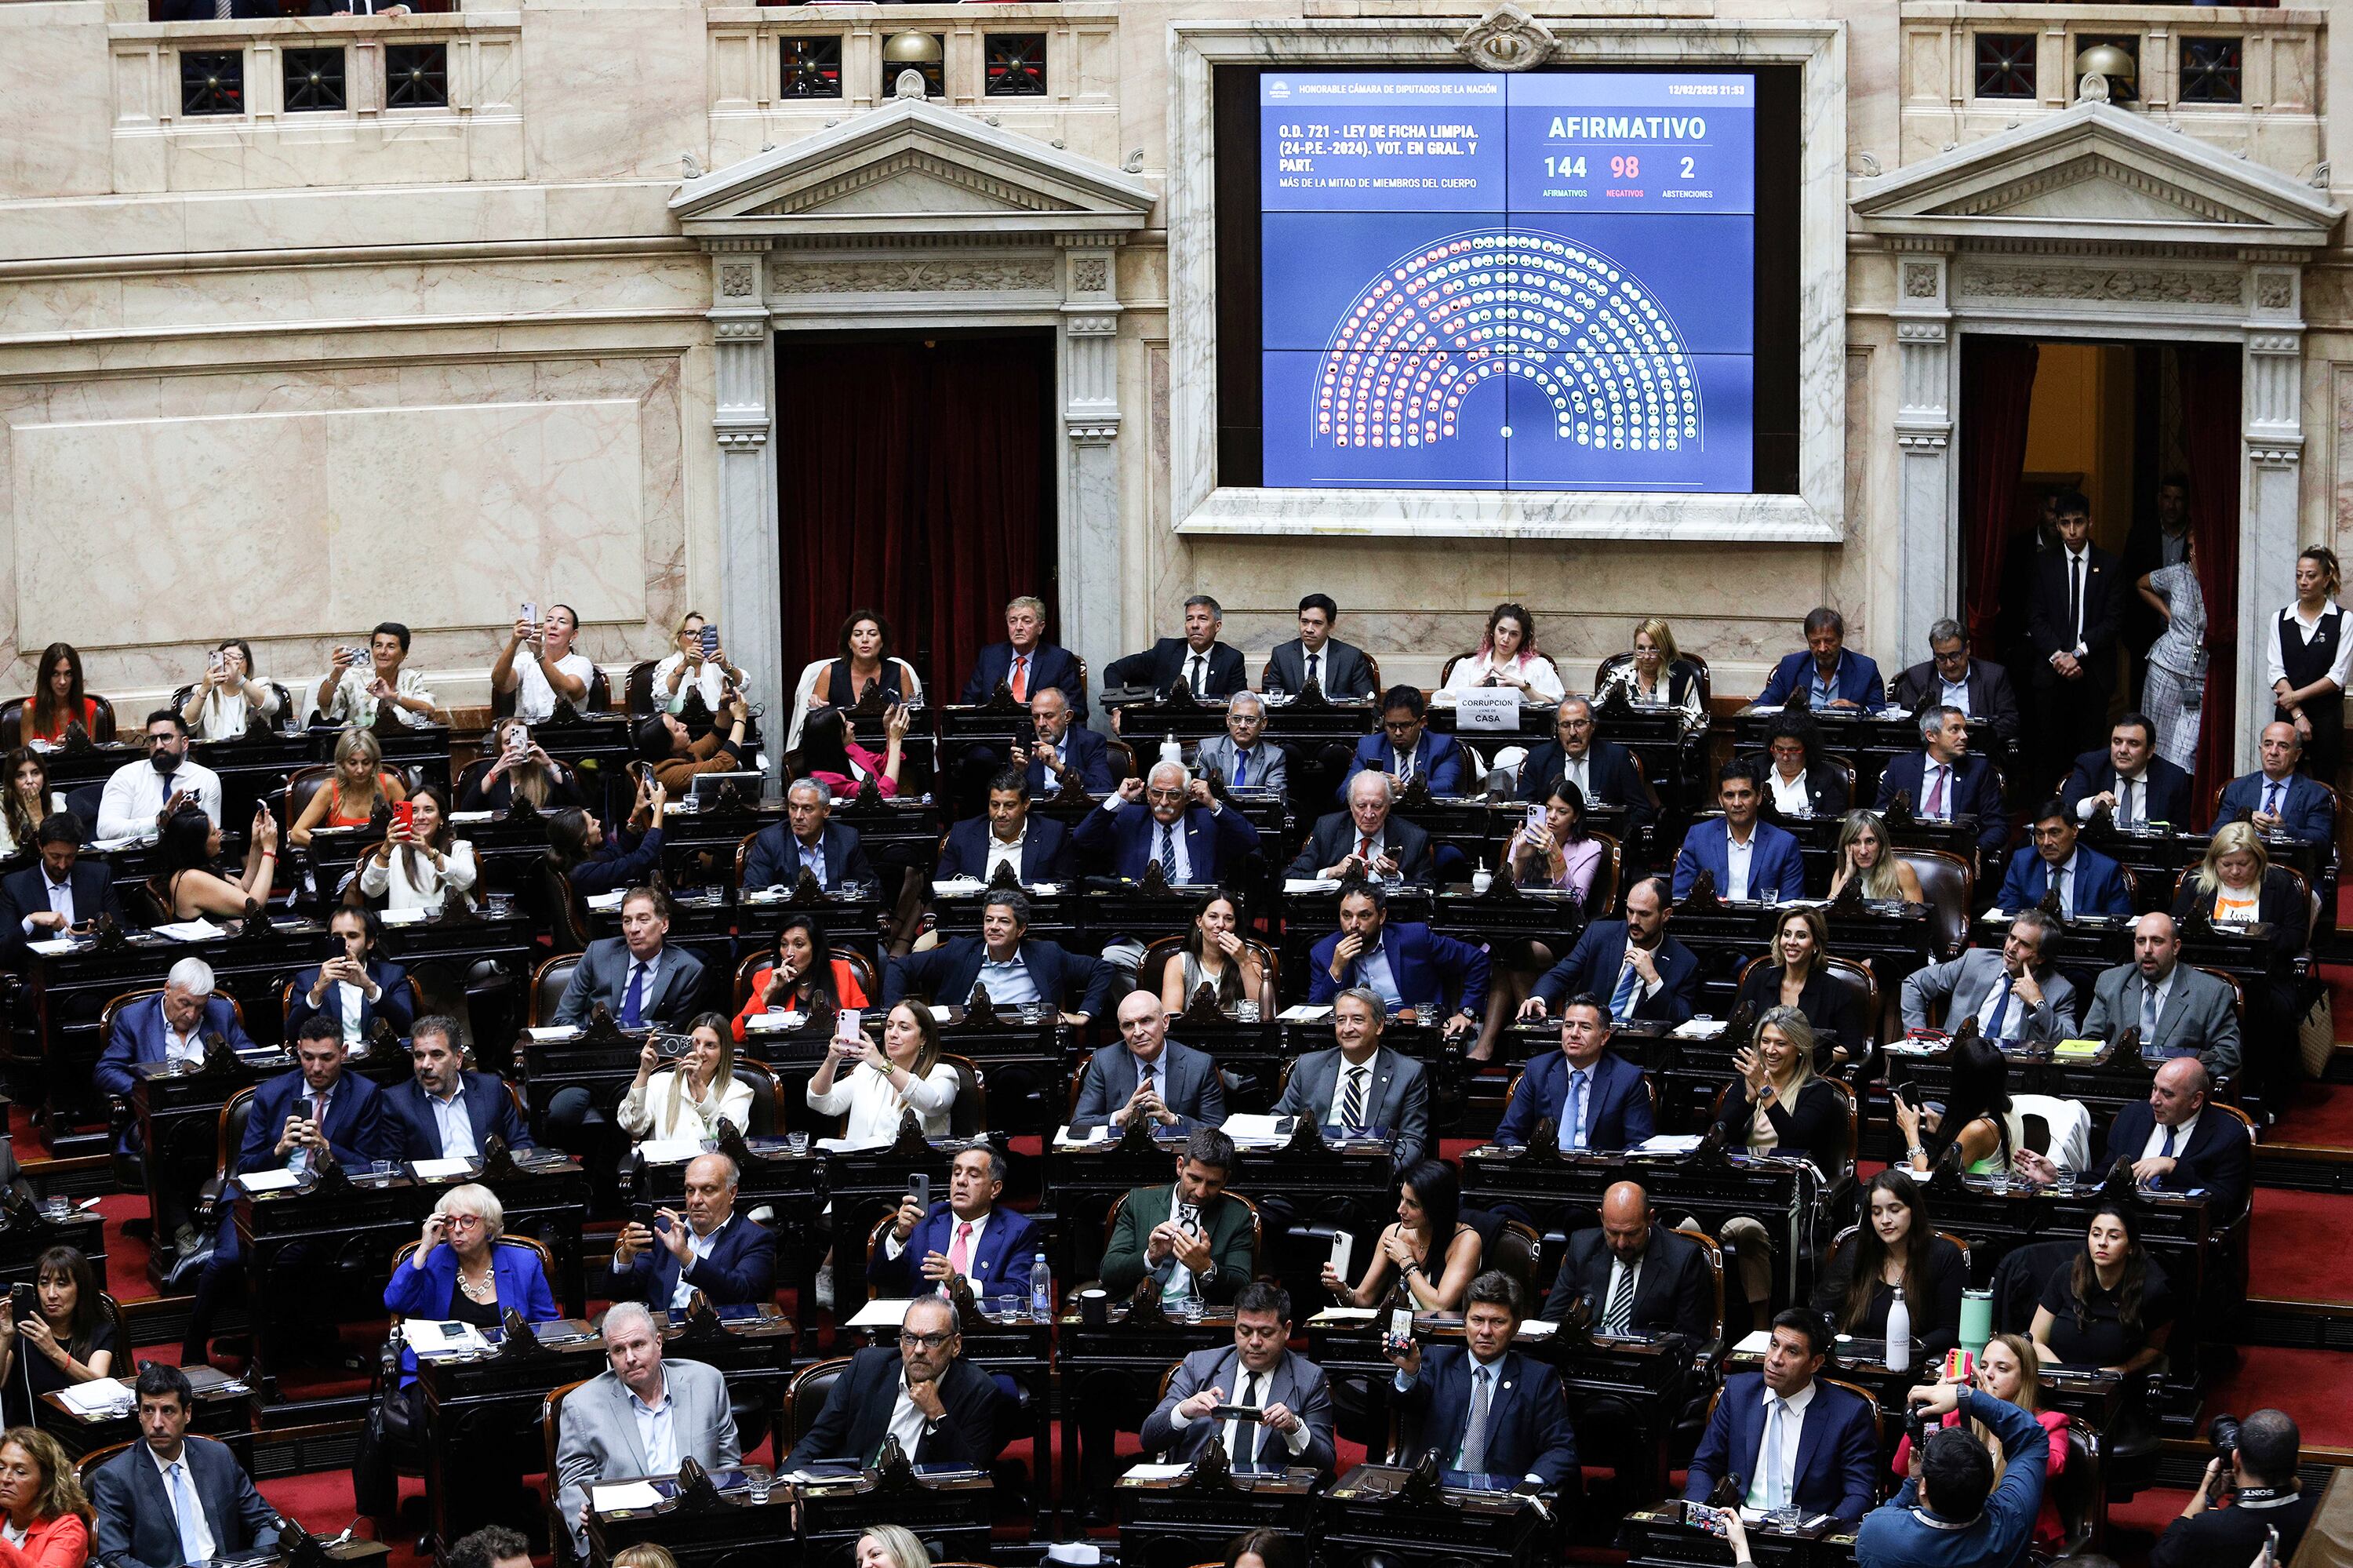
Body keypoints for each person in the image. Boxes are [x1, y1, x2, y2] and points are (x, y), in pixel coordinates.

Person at [182, 1017, 396, 1364]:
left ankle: (282, 1343)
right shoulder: (272, 1092)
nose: (316, 1067)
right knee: (228, 1260)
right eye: (308, 1057)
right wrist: (279, 1150)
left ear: (343, 1052)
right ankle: (194, 1345)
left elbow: (372, 1165)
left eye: (326, 1058)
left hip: (321, 1205)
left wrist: (328, 1149)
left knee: (292, 1258)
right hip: (260, 1201)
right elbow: (246, 1167)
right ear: (297, 1051)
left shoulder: (364, 1094)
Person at [369, 1184, 559, 1517]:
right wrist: (424, 1249)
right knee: (443, 1420)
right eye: (450, 1221)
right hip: (437, 1376)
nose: (456, 1230)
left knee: (491, 1421)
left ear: (489, 1225)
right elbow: (394, 1302)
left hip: (506, 1375)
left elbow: (549, 1325)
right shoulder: (432, 1261)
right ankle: (453, 1517)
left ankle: (500, 1514)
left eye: (467, 1221)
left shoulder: (524, 1262)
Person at [554, 1303, 737, 1559]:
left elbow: (729, 1464)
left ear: (659, 1343)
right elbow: (574, 1483)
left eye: (638, 1345)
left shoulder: (707, 1382)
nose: (630, 1358)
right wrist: (589, 1526)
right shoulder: (581, 1406)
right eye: (619, 1350)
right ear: (609, 1356)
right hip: (629, 1540)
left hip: (701, 1528)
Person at [1385, 1272, 1577, 1488]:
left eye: (1497, 1322)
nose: (1485, 1331)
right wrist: (1410, 1373)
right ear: (1465, 1321)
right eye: (1477, 1320)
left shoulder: (1538, 1379)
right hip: (1435, 1492)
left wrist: (1528, 1487)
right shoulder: (1439, 1361)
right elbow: (1404, 1404)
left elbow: (1561, 1448)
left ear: (1515, 1326)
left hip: (1502, 1500)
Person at [1685, 1308, 1878, 1522]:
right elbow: (1704, 1466)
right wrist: (1703, 1518)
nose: (1776, 1359)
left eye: (1792, 1352)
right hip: (1735, 1525)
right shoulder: (1738, 1393)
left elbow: (1860, 1493)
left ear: (1815, 1363)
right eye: (1774, 1345)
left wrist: (1820, 1532)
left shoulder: (1848, 1413)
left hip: (1803, 1537)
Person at [1887, 1334, 2071, 1559]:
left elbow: (2050, 1466)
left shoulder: (2048, 1424)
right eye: (1983, 1366)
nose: (1988, 1374)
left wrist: (1989, 1409)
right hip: (1962, 1535)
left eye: (2002, 1368)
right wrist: (1930, 1410)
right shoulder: (1955, 1415)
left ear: (2025, 1378)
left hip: (2022, 1541)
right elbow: (1902, 1467)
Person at [784, 1294, 1008, 1469]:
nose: (918, 1350)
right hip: (857, 1499)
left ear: (955, 1345)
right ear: (901, 1341)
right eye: (910, 1338)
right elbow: (817, 1440)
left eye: (932, 1339)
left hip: (926, 1508)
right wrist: (786, 1485)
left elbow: (970, 1473)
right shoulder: (867, 1368)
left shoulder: (979, 1391)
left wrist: (937, 1415)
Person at [91, 1363, 278, 1568]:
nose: (157, 1423)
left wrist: (257, 1563)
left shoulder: (217, 1457)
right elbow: (113, 1556)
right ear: (139, 1415)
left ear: (187, 1413)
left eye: (168, 1411)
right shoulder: (116, 1477)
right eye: (148, 1411)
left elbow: (266, 1521)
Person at [1854, 1374, 2050, 1568]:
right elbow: (2031, 1437)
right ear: (1988, 1484)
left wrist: (1913, 1481)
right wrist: (1967, 1396)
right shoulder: (2011, 1522)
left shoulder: (1877, 1534)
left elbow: (1890, 1516)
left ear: (1924, 1488)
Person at [1141, 1281, 1338, 1472]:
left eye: (1266, 1333)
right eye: (1245, 1332)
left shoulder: (1309, 1380)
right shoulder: (1198, 1367)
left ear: (1286, 1330)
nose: (1254, 1342)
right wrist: (1184, 1411)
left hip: (1268, 1496)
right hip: (1198, 1492)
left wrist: (1294, 1428)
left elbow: (1326, 1462)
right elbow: (1149, 1438)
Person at [2020, 1058, 2249, 1218]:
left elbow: (2225, 1205)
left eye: (2167, 1094)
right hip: (2115, 1225)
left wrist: (2174, 1167)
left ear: (2196, 1100)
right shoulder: (2134, 1117)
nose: (2154, 1101)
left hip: (2173, 1232)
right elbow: (2105, 1177)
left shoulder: (2228, 1134)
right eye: (2154, 1089)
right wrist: (2060, 1178)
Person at [2174, 822, 2307, 1084]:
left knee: (2274, 1011)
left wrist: (2259, 936)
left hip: (2265, 977)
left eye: (2243, 864)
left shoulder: (2280, 885)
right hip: (2203, 975)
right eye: (2226, 864)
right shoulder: (2196, 885)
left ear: (2258, 860)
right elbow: (2176, 927)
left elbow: (2296, 936)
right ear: (2214, 862)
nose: (2235, 872)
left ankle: (2262, 1087)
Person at [884, 890, 1111, 1024]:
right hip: (964, 1040)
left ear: (1021, 929)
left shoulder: (1047, 955)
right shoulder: (960, 951)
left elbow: (1102, 969)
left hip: (1024, 1046)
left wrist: (1083, 1014)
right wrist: (896, 1014)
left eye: (1004, 921)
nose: (994, 927)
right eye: (989, 920)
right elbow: (899, 967)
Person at [2027, 490, 2127, 778]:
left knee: (2091, 750)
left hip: (2092, 672)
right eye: (2065, 523)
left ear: (2090, 523)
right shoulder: (2043, 564)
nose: (2072, 531)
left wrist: (2078, 654)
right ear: (2057, 524)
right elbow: (2035, 617)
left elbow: (2113, 621)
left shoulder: (2110, 566)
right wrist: (2060, 656)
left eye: (2078, 522)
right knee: (2049, 750)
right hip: (2051, 673)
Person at [1305, 882, 1486, 1041]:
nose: (1353, 924)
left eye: (1364, 916)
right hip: (1356, 1038)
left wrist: (1466, 1013)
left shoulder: (1415, 938)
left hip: (1417, 1033)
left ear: (1381, 916)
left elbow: (1477, 960)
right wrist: (1335, 970)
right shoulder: (1325, 953)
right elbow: (1314, 1015)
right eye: (1346, 916)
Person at [1813, 1170, 1966, 1359]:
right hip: (1855, 1362)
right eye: (1876, 1213)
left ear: (1913, 1210)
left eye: (1895, 1210)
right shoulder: (1856, 1253)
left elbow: (1950, 1330)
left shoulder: (1944, 1256)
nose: (1885, 1220)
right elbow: (1819, 1313)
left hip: (1915, 1365)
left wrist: (1907, 1350)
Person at [1274, 987, 1431, 1168]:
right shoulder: (1308, 1066)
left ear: (1379, 1025)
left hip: (1373, 1172)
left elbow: (1412, 1140)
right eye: (1341, 1020)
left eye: (1357, 1020)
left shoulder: (1409, 1074)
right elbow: (1279, 1119)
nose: (1347, 1028)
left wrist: (1385, 1174)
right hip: (1312, 1168)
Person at [1099, 1127, 1253, 1306]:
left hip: (1200, 1318)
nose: (1201, 1192)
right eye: (1194, 1179)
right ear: (1180, 1166)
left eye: (1212, 1183)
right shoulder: (1139, 1202)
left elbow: (1243, 1288)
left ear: (1226, 1179)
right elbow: (1109, 1271)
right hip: (1140, 1312)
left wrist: (1206, 1268)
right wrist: (1151, 1257)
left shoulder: (1236, 1217)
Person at [1541, 1180, 1712, 1338]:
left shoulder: (1683, 1258)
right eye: (1613, 1233)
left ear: (1650, 1218)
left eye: (1632, 1233)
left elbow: (1691, 1339)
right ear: (1601, 1218)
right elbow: (1551, 1318)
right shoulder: (1582, 1246)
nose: (1622, 1244)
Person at [605, 1152, 776, 1311]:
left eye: (708, 1190)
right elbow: (620, 1294)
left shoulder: (754, 1238)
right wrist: (626, 1257)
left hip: (721, 1336)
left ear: (732, 1193)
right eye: (690, 1190)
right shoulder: (664, 1230)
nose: (695, 1200)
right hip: (661, 1336)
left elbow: (741, 1293)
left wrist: (686, 1256)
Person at [867, 1146, 1039, 1304]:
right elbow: (880, 1278)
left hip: (981, 1327)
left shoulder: (1018, 1230)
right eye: (956, 1173)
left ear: (995, 1189)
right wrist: (900, 1235)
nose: (961, 1181)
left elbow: (1021, 1292)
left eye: (973, 1175)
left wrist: (959, 1283)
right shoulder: (925, 1219)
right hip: (923, 1325)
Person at [2080, 912, 2242, 1076]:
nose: (2147, 950)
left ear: (2176, 947)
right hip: (2119, 1083)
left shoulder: (2211, 992)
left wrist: (2184, 1076)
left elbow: (2228, 1053)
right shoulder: (2110, 982)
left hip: (2178, 1093)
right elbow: (2088, 1042)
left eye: (2157, 941)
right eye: (2141, 941)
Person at [1522, 876, 1700, 1024]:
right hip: (1588, 1038)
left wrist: (1653, 980)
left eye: (1644, 914)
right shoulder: (1599, 935)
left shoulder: (1684, 962)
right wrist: (1538, 999)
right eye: (1630, 911)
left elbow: (1682, 1020)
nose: (1634, 921)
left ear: (1666, 915)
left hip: (1638, 1050)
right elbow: (1560, 975)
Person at [2154, 1410, 2316, 1568]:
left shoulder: (2205, 1529)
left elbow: (2161, 1559)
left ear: (2236, 1459)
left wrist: (2206, 1491)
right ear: (2297, 1463)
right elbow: (2316, 1501)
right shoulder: (2318, 1516)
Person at [1494, 994, 1655, 1152]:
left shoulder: (1627, 1079)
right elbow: (1507, 1134)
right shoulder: (1538, 1070)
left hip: (1601, 1173)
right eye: (1569, 1025)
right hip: (1546, 1170)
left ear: (1604, 1037)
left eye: (1585, 1027)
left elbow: (1639, 1145)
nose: (1574, 1034)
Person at [2030, 1203, 2172, 1374]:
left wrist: (2122, 1370)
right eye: (2096, 1234)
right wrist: (2067, 1376)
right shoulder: (2066, 1274)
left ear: (2131, 1246)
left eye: (2113, 1237)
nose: (2102, 1243)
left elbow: (2155, 1348)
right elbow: (2036, 1339)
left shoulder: (2152, 1289)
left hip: (2116, 1385)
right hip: (2058, 1380)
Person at [1900, 910, 2076, 1047]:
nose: (2011, 948)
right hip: (1958, 1061)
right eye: (2012, 938)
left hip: (2011, 1072)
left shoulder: (2059, 990)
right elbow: (1914, 984)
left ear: (2040, 957)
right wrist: (1919, 1037)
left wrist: (2039, 1004)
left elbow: (2069, 1045)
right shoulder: (1975, 962)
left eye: (2024, 944)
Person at [1322, 1159, 1480, 1311]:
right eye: (1402, 1198)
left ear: (1437, 1208)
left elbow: (1439, 1307)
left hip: (1440, 1335)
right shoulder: (1393, 1233)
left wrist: (1406, 1261)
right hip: (1394, 1333)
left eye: (1412, 1204)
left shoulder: (1466, 1241)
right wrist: (1342, 1290)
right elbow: (1363, 1298)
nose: (1400, 1210)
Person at [1069, 991, 1227, 1136]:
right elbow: (1080, 1124)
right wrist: (1121, 1117)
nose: (1138, 1032)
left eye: (1146, 1021)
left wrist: (1173, 1120)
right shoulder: (1104, 1062)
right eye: (1128, 1025)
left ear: (1165, 1022)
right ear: (1121, 1030)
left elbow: (1216, 1131)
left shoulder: (1199, 1065)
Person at [551, 887, 709, 1028]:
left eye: (643, 920)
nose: (633, 929)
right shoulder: (597, 953)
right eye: (627, 921)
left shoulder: (688, 970)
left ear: (664, 924)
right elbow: (563, 1019)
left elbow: (676, 1031)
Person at [1076, 763, 1262, 882]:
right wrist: (1119, 799)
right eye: (1157, 793)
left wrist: (1213, 803)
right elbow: (1082, 838)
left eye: (1173, 795)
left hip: (1196, 916)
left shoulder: (1206, 822)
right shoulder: (1130, 819)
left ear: (1188, 797)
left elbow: (1249, 840)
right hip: (1138, 913)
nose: (1163, 802)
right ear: (1148, 792)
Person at [1715, 1006, 1845, 1174]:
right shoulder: (1745, 1082)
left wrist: (1764, 1090)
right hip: (1743, 1175)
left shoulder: (1817, 1091)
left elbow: (1795, 1142)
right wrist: (1749, 1102)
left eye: (1780, 1043)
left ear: (1799, 1048)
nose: (1770, 1051)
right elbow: (1723, 1136)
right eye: (1765, 1041)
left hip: (1790, 1180)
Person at [384, 1016, 533, 1162]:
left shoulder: (490, 1089)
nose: (425, 1065)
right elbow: (392, 1167)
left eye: (437, 1055)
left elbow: (521, 1144)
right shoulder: (398, 1102)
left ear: (458, 1059)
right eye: (419, 1056)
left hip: (488, 1183)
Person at [806, 1001, 957, 1141]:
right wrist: (832, 1060)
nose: (892, 1034)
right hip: (861, 1166)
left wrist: (883, 1064)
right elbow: (820, 1102)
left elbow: (934, 1105)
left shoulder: (943, 1074)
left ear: (923, 1038)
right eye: (889, 1026)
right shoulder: (866, 1071)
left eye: (904, 1028)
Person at [1733, 906, 1863, 1065]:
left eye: (1801, 936)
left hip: (1809, 1077)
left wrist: (1809, 1059)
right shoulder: (1759, 980)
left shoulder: (1834, 989)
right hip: (1763, 1071)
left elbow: (1853, 1046)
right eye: (1787, 935)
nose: (1791, 942)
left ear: (1816, 945)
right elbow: (1733, 1032)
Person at [0, 1247, 113, 1428]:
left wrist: (53, 1350)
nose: (51, 1294)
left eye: (61, 1284)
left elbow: (99, 1382)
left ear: (80, 1289)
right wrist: (5, 1337)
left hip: (80, 1432)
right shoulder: (24, 1330)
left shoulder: (99, 1329)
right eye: (44, 1283)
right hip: (30, 1438)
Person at [787, 609, 925, 753]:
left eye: (872, 634)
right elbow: (818, 727)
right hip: (841, 753)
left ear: (882, 641)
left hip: (891, 749)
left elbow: (915, 719)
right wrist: (816, 707)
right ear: (849, 642)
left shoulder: (900, 671)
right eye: (857, 634)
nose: (865, 639)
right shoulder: (829, 672)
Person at [1513, 694, 1657, 831]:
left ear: (1593, 726)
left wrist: (1614, 828)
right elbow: (1524, 810)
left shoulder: (1617, 758)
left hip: (1602, 840)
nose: (1572, 732)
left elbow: (1642, 811)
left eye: (1579, 724)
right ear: (1557, 729)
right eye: (1565, 725)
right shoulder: (1539, 759)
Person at [1877, 706, 2008, 855]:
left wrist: (1977, 848)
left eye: (1964, 729)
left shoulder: (1978, 770)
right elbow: (1880, 819)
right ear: (1931, 736)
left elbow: (1997, 826)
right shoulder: (1900, 767)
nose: (1964, 736)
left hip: (1956, 854)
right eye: (1955, 730)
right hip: (1907, 850)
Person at [2269, 544, 2348, 783]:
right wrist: (2297, 712)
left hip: (2327, 716)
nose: (2303, 581)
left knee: (2324, 782)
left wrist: (2295, 697)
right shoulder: (2281, 618)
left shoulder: (2343, 620)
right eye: (2299, 575)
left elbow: (2337, 677)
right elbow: (2275, 671)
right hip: (2288, 716)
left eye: (2311, 576)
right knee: (2282, 779)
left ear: (2325, 580)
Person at [1672, 763, 1806, 902]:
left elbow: (1792, 904)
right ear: (1720, 799)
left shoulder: (1784, 844)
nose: (1737, 803)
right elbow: (1680, 898)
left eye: (1745, 794)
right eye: (1729, 795)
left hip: (1763, 922)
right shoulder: (1699, 836)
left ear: (1758, 797)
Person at [1, 813, 125, 962]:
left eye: (70, 856)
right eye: (55, 856)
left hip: (88, 965)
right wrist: (30, 921)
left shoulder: (98, 876)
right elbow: (3, 950)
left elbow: (121, 931)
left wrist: (95, 935)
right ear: (40, 846)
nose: (62, 865)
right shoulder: (15, 885)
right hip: (39, 975)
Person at [285, 905, 414, 1046]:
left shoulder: (392, 975)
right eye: (337, 937)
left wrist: (370, 988)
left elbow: (407, 1027)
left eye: (352, 936)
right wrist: (317, 992)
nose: (345, 944)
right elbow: (292, 1036)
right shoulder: (307, 980)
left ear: (370, 942)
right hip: (329, 1063)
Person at [1889, 618, 2023, 749]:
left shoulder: (1993, 676)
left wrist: (1978, 740)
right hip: (1933, 752)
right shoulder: (1918, 677)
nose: (1949, 664)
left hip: (1979, 750)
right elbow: (1907, 724)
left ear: (1968, 649)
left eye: (1954, 655)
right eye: (1941, 657)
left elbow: (2010, 720)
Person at [1896, 1031, 2015, 1178]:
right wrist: (1942, 1129)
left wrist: (1911, 1133)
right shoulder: (2005, 1105)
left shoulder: (1978, 1130)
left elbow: (1932, 1181)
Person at [733, 915, 870, 1041]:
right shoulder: (766, 979)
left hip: (835, 1054)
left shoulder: (842, 972)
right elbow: (737, 1034)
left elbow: (865, 1025)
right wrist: (769, 992)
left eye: (799, 945)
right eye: (784, 944)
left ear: (815, 949)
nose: (789, 953)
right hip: (783, 1057)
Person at [1994, 800, 2133, 920]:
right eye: (2040, 834)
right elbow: (2005, 913)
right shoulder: (2022, 863)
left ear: (2074, 831)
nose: (2046, 842)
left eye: (2054, 833)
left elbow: (2119, 922)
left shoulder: (2105, 870)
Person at [2137, 537, 2209, 770]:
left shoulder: (2222, 580)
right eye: (2189, 547)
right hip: (2165, 666)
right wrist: (2168, 614)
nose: (2193, 553)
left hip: (2201, 674)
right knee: (2155, 744)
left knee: (2186, 752)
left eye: (2197, 546)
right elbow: (2141, 584)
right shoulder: (2177, 573)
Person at [96, 711, 222, 840]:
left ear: (184, 743)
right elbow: (106, 830)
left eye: (166, 737)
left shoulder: (206, 778)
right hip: (140, 857)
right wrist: (157, 821)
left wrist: (192, 820)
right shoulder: (126, 775)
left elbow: (212, 836)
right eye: (152, 739)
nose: (159, 746)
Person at [1287, 772, 1433, 883]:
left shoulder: (1415, 838)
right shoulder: (1327, 829)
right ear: (1351, 805)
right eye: (1361, 806)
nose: (1369, 815)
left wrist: (1396, 877)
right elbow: (1289, 879)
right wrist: (1332, 872)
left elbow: (1428, 891)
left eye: (1377, 806)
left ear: (1388, 806)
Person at [356, 784, 477, 915]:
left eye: (428, 810)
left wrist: (429, 852)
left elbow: (467, 881)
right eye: (414, 811)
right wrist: (385, 849)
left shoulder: (460, 847)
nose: (420, 817)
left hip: (449, 927)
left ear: (441, 818)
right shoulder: (396, 851)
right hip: (407, 930)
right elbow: (370, 889)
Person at [936, 772, 1073, 884]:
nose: (1000, 813)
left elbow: (1065, 886)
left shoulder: (1053, 834)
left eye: (1009, 806)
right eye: (995, 805)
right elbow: (941, 886)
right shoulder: (963, 833)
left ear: (1026, 804)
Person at [741, 778, 874, 893]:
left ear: (826, 811)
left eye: (807, 809)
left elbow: (871, 889)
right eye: (793, 807)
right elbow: (754, 892)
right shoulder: (770, 840)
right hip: (789, 918)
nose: (798, 816)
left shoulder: (847, 839)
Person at [148, 804, 278, 921]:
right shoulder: (190, 879)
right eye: (213, 833)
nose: (220, 833)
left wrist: (256, 844)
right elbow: (255, 907)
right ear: (197, 845)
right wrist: (269, 850)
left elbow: (244, 888)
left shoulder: (202, 868)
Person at [544, 778, 668, 901]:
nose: (598, 822)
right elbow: (643, 858)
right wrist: (659, 809)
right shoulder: (584, 874)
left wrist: (636, 812)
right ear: (584, 841)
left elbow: (617, 852)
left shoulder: (575, 859)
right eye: (593, 823)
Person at [2064, 714, 2193, 831]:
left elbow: (2180, 833)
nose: (2123, 750)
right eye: (2117, 742)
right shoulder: (2091, 765)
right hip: (2100, 852)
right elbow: (2065, 810)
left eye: (2133, 743)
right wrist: (2093, 805)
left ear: (2150, 751)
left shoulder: (2173, 778)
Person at [961, 595, 1086, 715]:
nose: (1018, 627)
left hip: (1039, 733)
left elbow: (1076, 708)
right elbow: (968, 701)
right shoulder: (990, 657)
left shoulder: (1059, 660)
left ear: (1040, 627)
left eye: (1026, 621)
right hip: (995, 731)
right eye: (1013, 621)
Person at [1104, 595, 1246, 700]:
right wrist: (1117, 710)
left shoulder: (1231, 659)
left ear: (1217, 626)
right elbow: (1114, 670)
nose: (1195, 625)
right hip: (1163, 728)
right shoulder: (1165, 651)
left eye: (1202, 619)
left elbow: (1240, 703)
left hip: (1211, 732)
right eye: (1190, 619)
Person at [288, 726, 406, 848]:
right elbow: (297, 833)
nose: (360, 770)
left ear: (375, 763)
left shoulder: (390, 784)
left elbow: (410, 827)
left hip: (384, 858)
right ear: (342, 763)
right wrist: (328, 846)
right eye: (353, 763)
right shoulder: (329, 790)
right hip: (342, 861)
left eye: (366, 763)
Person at [2218, 722, 2336, 842]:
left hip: (2289, 860)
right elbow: (2216, 834)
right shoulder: (2237, 788)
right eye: (2268, 744)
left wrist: (2281, 830)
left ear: (2297, 754)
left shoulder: (2315, 794)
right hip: (2243, 858)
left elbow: (2322, 842)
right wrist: (2243, 824)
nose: (2273, 752)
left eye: (2283, 746)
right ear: (2261, 749)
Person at [1596, 617, 1708, 740]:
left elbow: (1697, 719)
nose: (1646, 656)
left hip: (1664, 746)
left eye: (1653, 649)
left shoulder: (1680, 676)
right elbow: (1595, 713)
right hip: (1623, 744)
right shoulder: (1619, 676)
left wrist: (1676, 730)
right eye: (1641, 649)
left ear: (1665, 650)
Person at [1755, 607, 1883, 711]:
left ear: (1841, 638)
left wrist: (1856, 710)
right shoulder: (1791, 666)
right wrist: (1786, 710)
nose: (1822, 648)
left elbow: (1879, 712)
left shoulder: (1865, 669)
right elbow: (1761, 706)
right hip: (1802, 741)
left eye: (1829, 641)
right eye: (1815, 642)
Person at [1162, 890, 1269, 1013]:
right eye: (1213, 917)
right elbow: (1172, 1018)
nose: (1220, 924)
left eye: (1228, 919)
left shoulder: (1250, 956)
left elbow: (1264, 1010)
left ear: (1235, 925)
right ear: (1199, 922)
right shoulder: (1178, 963)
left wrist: (1243, 962)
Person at [314, 622, 438, 729]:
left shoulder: (411, 678)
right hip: (362, 749)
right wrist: (337, 672)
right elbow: (324, 703)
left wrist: (392, 696)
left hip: (403, 745)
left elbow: (429, 712)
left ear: (404, 654)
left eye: (391, 646)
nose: (383, 652)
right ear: (372, 650)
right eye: (378, 646)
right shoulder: (355, 677)